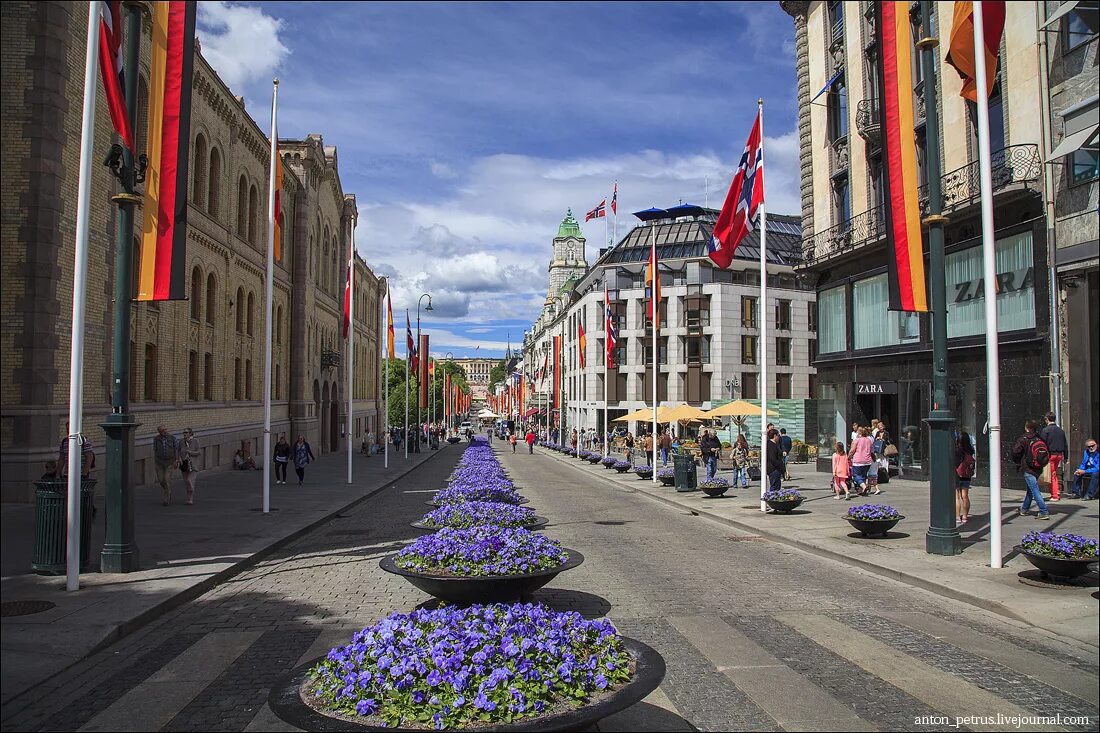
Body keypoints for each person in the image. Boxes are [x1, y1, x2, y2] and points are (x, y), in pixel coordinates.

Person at [1010, 420, 1050, 519]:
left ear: (1027, 427)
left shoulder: (1024, 438)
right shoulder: (1039, 438)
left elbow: (1015, 451)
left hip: (1028, 467)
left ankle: (1043, 511)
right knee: (1031, 489)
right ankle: (1024, 509)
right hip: (1038, 467)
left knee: (1034, 489)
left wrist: (1018, 461)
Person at [1040, 412, 1067, 501]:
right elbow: (1065, 444)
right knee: (1053, 473)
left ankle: (1055, 494)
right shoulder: (1060, 430)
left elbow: (1042, 444)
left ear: (1047, 419)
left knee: (1052, 475)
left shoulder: (1045, 430)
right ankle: (1056, 492)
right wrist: (1066, 457)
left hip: (1050, 455)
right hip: (1059, 455)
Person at [152, 424, 179, 506]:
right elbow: (155, 449)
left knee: (167, 479)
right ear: (159, 432)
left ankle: (166, 498)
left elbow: (176, 449)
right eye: (163, 430)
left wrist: (176, 460)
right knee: (161, 480)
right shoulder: (156, 439)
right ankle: (168, 490)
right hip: (159, 462)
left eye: (165, 429)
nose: (165, 431)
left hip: (170, 462)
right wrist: (156, 460)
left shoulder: (172, 438)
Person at [955, 431, 976, 524]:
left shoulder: (957, 450)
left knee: (957, 497)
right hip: (966, 475)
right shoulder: (970, 450)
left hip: (957, 475)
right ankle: (965, 516)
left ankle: (957, 516)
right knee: (965, 496)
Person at [848, 427, 875, 496]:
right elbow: (872, 451)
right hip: (867, 461)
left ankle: (864, 486)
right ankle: (862, 490)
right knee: (863, 475)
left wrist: (848, 457)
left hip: (858, 461)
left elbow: (852, 451)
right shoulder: (869, 440)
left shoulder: (857, 440)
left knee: (856, 475)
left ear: (859, 433)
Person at [178, 428, 201, 505]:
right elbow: (178, 451)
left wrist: (190, 452)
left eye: (186, 432)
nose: (184, 434)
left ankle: (191, 496)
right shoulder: (181, 442)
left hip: (193, 465)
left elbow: (199, 452)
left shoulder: (195, 441)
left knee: (189, 480)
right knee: (186, 483)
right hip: (184, 464)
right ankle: (189, 499)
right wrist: (179, 458)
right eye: (183, 432)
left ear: (191, 433)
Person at [765, 428, 784, 493]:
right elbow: (772, 458)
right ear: (775, 436)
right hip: (773, 469)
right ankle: (772, 499)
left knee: (777, 487)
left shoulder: (775, 444)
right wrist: (779, 465)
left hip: (776, 469)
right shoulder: (771, 445)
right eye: (778, 435)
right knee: (774, 487)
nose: (779, 437)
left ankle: (774, 498)